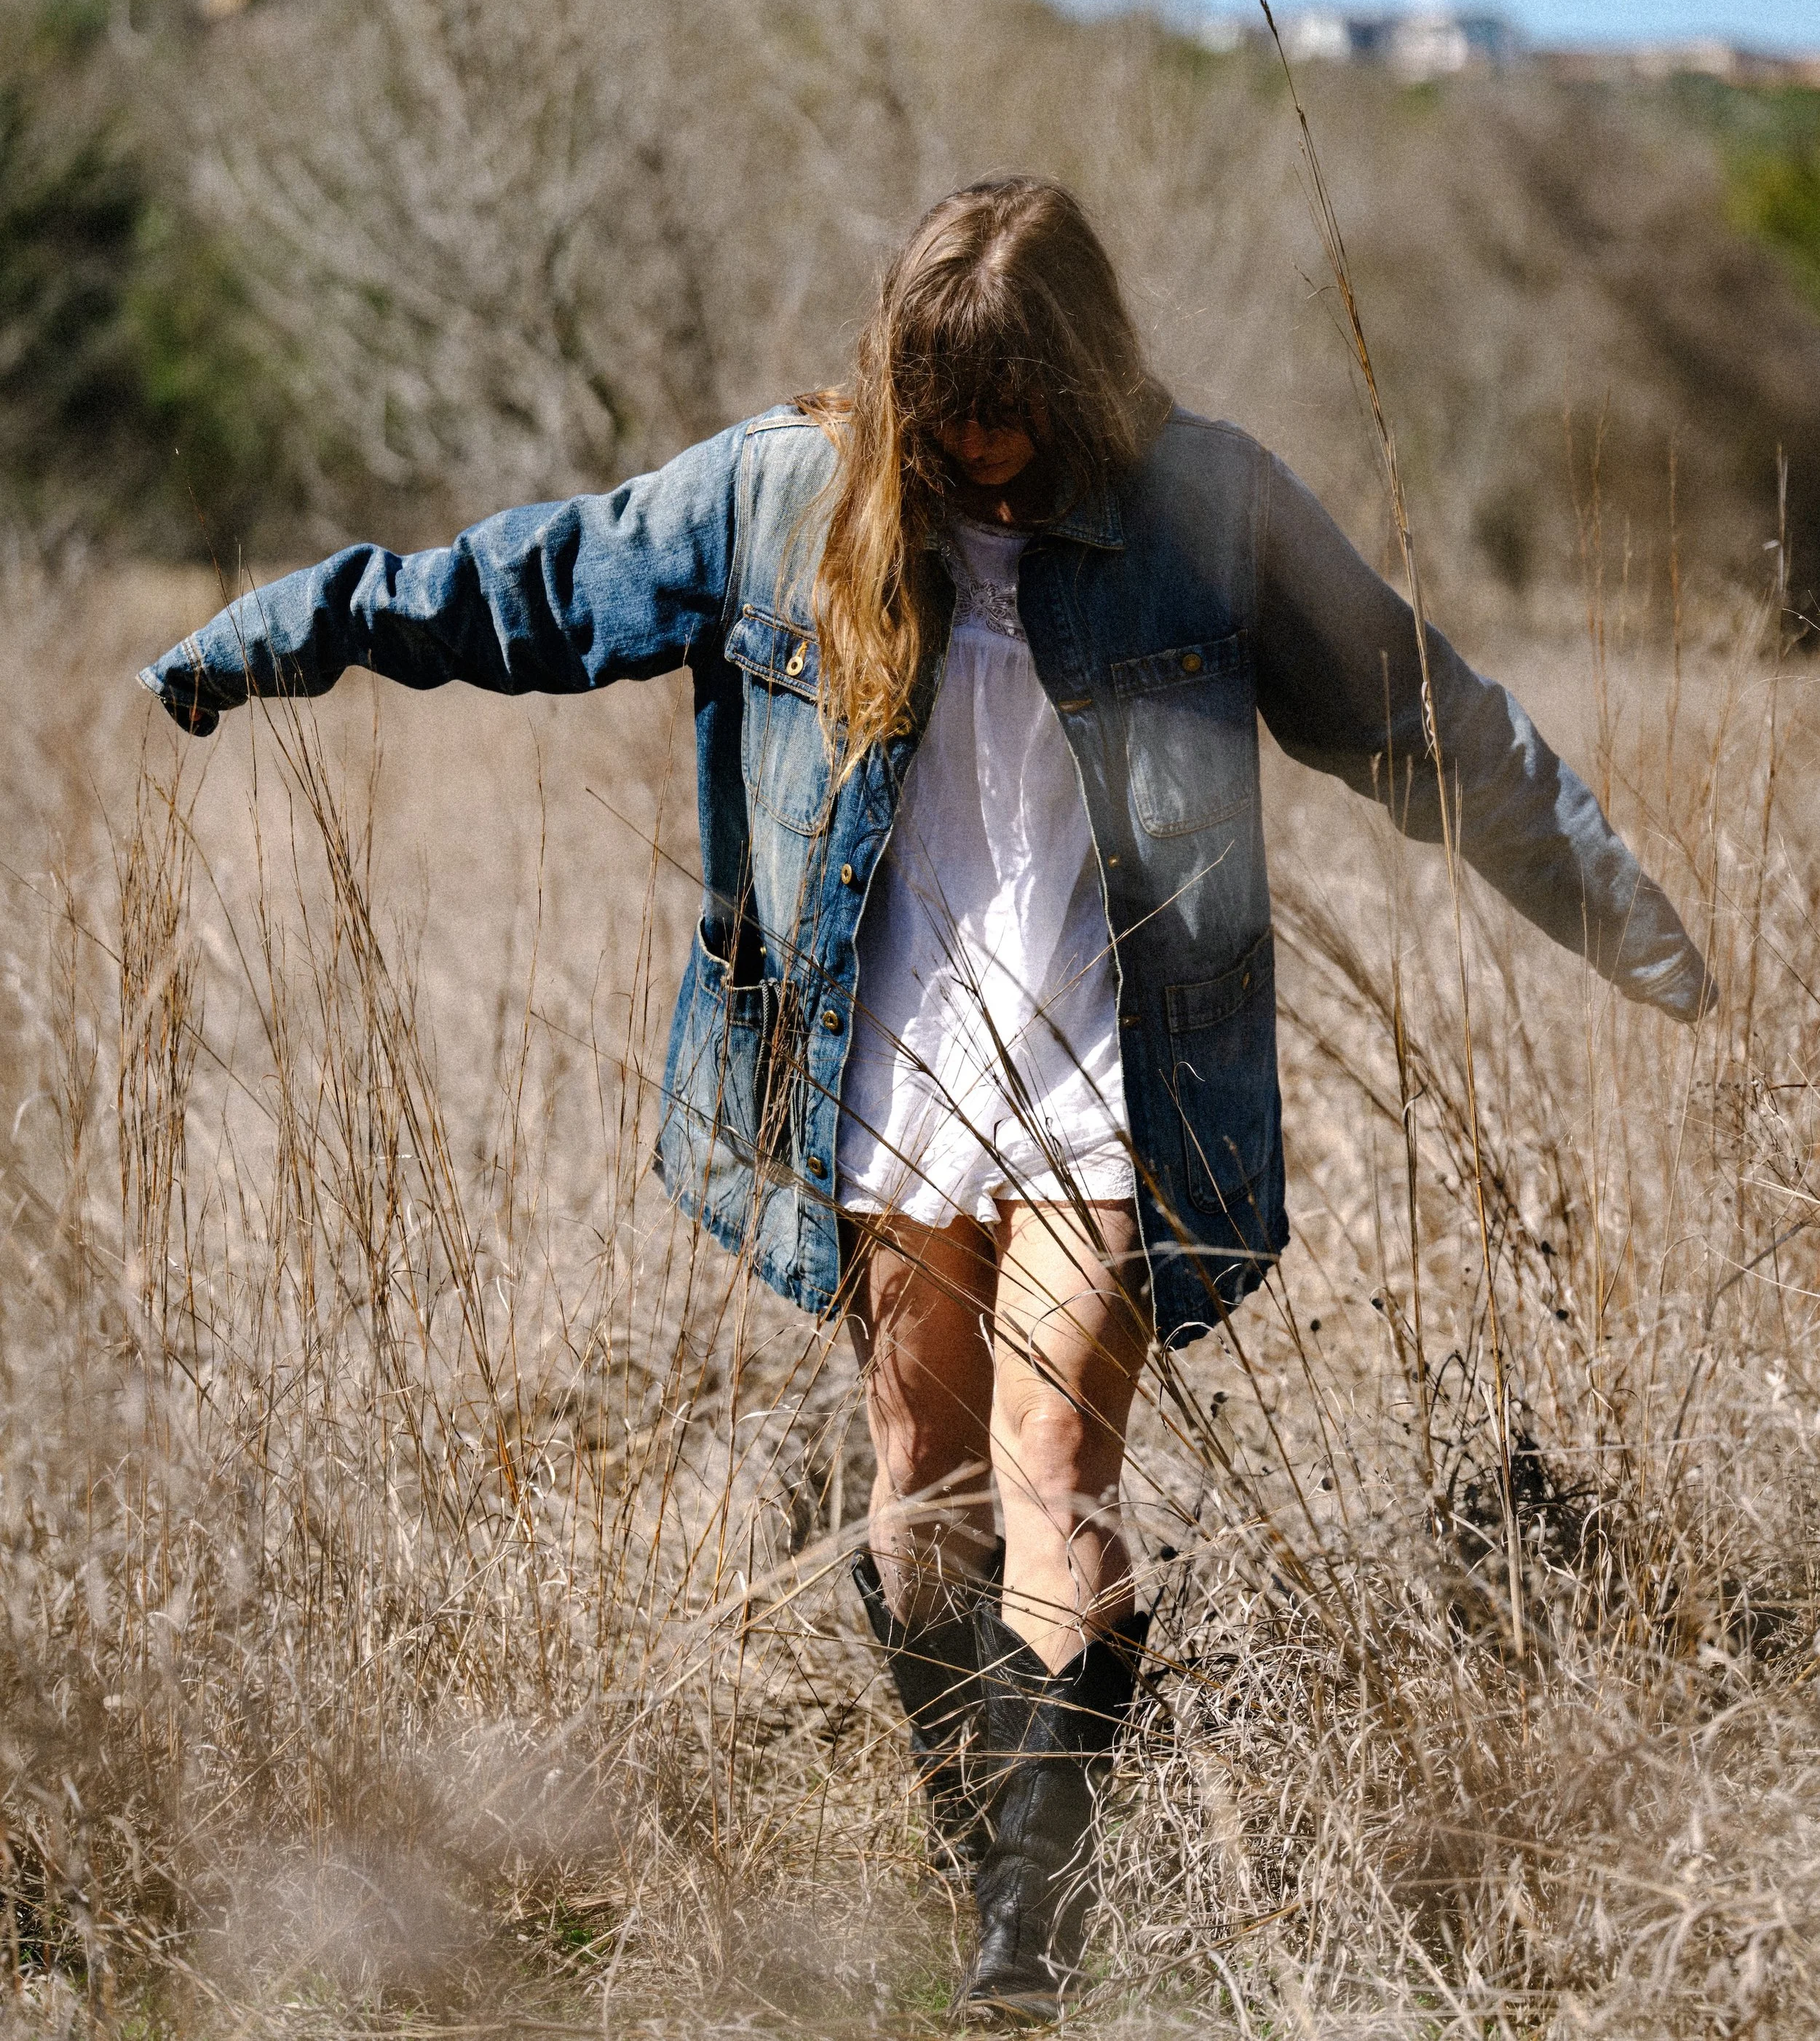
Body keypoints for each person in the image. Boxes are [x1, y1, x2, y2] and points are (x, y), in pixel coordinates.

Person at [141, 176, 1712, 2024]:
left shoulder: (1200, 507)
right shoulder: (778, 499)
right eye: (947, 405)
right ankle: (988, 1856)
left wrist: (1617, 910)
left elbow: (1411, 708)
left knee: (1057, 1473)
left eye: (1017, 405)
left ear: (1086, 377)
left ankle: (1024, 1949)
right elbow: (535, 584)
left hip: (1106, 1065)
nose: (981, 445)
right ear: (898, 380)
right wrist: (282, 631)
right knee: (919, 1477)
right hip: (880, 1064)